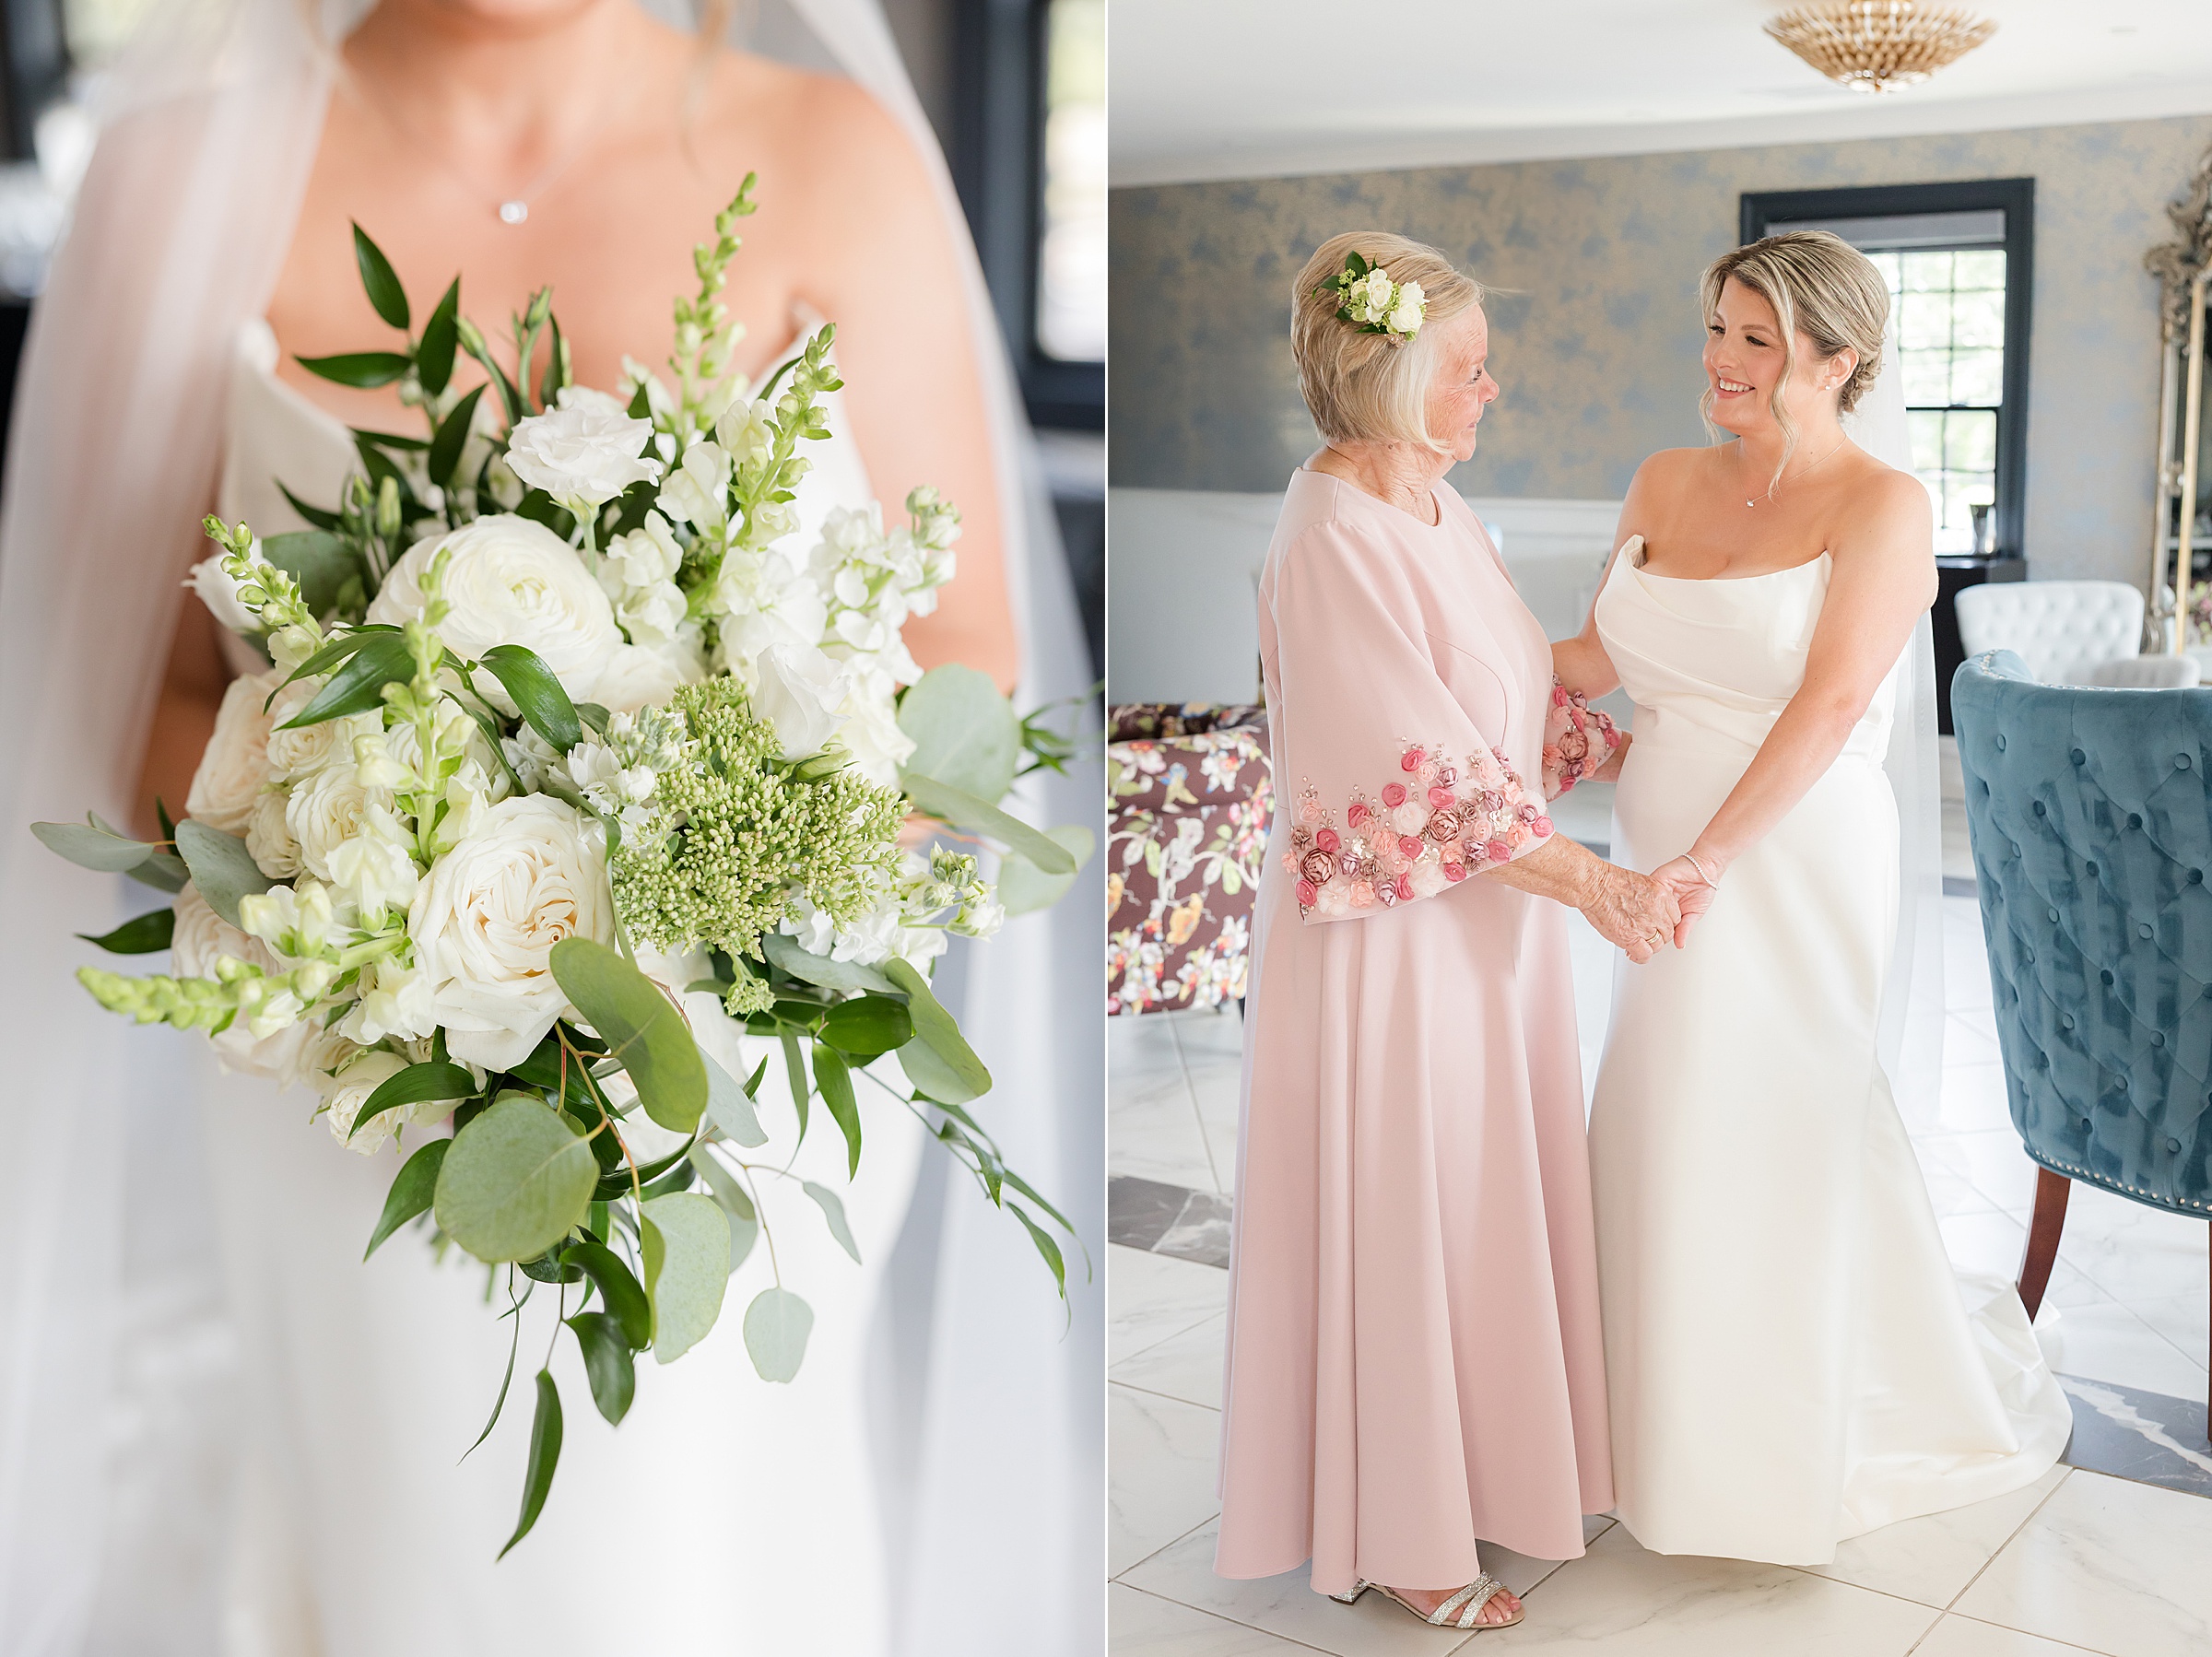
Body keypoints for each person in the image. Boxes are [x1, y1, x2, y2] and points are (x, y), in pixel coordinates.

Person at [0, 1, 1100, 1651]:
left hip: (740, 1095)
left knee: (717, 1569)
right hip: (364, 1096)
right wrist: (387, 884)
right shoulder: (176, 182)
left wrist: (721, 885)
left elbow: (966, 667)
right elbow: (140, 691)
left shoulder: (839, 162)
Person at [1563, 229, 2069, 1565]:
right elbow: (1591, 658)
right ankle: (1645, 1425)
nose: (1720, 362)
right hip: (1660, 861)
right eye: (1718, 330)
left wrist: (1705, 863)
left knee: (1778, 1117)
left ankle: (1769, 1447)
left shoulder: (1883, 506)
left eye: (1757, 340)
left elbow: (1832, 699)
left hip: (1790, 859)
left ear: (1838, 362)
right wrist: (1426, 612)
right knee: (1663, 1113)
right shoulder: (1663, 478)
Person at [1213, 231, 1678, 1633]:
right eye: (1467, 370)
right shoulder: (1330, 530)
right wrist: (1601, 889)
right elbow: (1421, 772)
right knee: (1414, 1194)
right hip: (1396, 948)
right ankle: (1407, 1533)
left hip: (1490, 931)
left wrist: (1674, 681)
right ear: (1392, 373)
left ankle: (1491, 1464)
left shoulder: (1429, 500)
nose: (1492, 390)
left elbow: (1516, 691)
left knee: (1482, 1187)